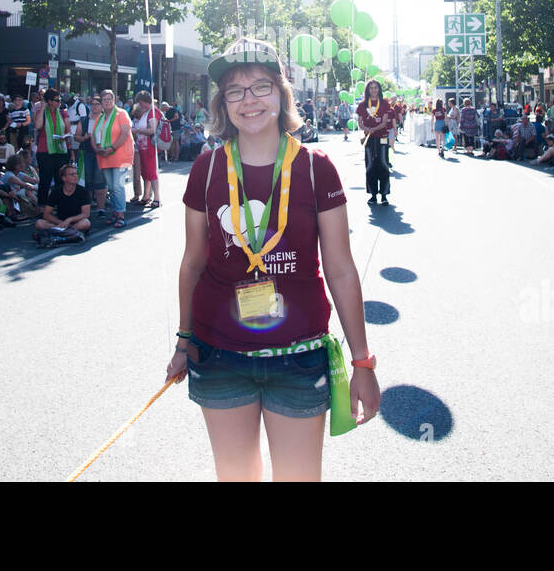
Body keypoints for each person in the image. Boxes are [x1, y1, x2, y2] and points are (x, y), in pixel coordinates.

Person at [166, 39, 380, 481]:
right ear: (222, 104)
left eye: (261, 87)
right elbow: (192, 265)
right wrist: (183, 342)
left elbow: (340, 269)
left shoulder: (316, 167)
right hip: (219, 354)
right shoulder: (206, 169)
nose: (249, 101)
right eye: (235, 91)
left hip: (298, 357)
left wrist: (363, 362)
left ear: (282, 94)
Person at [93, 88, 134, 228]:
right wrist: (97, 149)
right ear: (101, 102)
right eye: (104, 100)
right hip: (105, 157)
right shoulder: (100, 117)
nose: (107, 102)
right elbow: (94, 135)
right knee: (111, 187)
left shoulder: (121, 114)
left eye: (109, 99)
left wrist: (113, 148)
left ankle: (121, 214)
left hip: (120, 156)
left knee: (118, 185)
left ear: (114, 100)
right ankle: (116, 212)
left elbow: (124, 133)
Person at [356, 81, 393, 205]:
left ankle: (384, 195)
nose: (373, 90)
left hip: (382, 138)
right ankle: (372, 195)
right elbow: (360, 122)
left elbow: (384, 122)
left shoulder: (384, 103)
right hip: (369, 140)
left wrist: (373, 129)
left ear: (379, 89)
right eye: (371, 88)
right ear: (368, 90)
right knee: (370, 166)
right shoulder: (362, 105)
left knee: (383, 165)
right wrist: (365, 129)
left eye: (375, 88)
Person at [33, 88, 70, 205]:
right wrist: (42, 108)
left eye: (60, 100)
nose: (59, 102)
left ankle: (59, 205)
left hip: (60, 149)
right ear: (48, 101)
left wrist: (64, 136)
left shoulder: (63, 113)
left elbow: (68, 130)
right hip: (45, 151)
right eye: (56, 100)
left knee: (60, 180)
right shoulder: (42, 112)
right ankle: (42, 206)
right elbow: (38, 126)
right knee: (45, 180)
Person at [35, 162, 91, 238]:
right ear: (64, 178)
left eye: (76, 174)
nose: (75, 176)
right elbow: (46, 214)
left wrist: (69, 220)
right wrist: (61, 223)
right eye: (72, 174)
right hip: (60, 222)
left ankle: (58, 231)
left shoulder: (83, 191)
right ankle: (65, 232)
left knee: (86, 223)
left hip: (77, 222)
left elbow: (86, 214)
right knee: (39, 223)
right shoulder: (56, 192)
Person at [131, 90, 162, 209]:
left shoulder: (153, 112)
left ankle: (157, 198)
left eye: (140, 102)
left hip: (150, 147)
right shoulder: (147, 112)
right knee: (146, 173)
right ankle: (146, 196)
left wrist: (137, 130)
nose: (139, 105)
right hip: (143, 147)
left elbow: (152, 130)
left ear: (144, 102)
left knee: (152, 173)